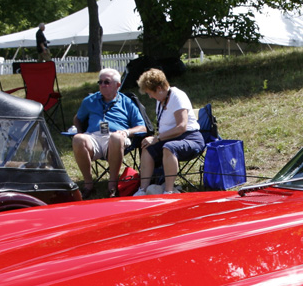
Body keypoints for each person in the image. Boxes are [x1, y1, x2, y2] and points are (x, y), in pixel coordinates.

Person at [72, 67, 148, 197]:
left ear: (117, 85)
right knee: (78, 139)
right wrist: (81, 131)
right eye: (100, 82)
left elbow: (142, 127)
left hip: (116, 138)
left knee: (116, 137)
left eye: (106, 82)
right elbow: (77, 118)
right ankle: (88, 185)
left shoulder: (127, 102)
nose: (102, 85)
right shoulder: (90, 100)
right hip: (93, 137)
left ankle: (112, 185)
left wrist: (126, 132)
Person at [135, 68, 204, 196]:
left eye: (150, 93)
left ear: (159, 88)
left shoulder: (177, 96)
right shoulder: (160, 99)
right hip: (170, 139)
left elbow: (181, 127)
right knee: (146, 146)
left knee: (168, 147)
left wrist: (157, 138)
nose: (150, 97)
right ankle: (142, 190)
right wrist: (155, 139)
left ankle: (168, 191)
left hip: (190, 138)